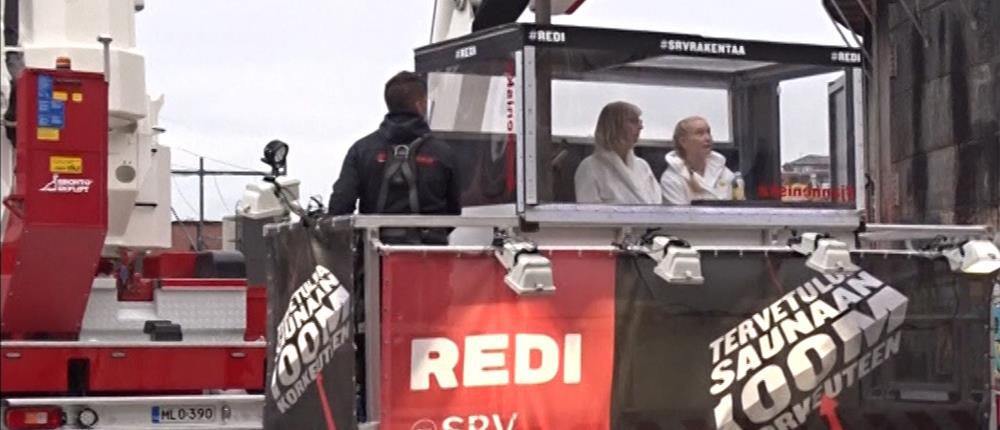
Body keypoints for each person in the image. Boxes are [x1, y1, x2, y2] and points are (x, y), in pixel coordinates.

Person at [328, 71, 460, 244]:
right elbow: (454, 212)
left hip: (374, 254)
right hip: (430, 255)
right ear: (421, 105)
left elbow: (340, 206)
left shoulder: (361, 150)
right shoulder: (443, 153)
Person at [574, 101, 662, 204]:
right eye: (633, 121)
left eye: (639, 121)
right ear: (613, 126)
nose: (640, 127)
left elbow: (658, 205)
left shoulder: (643, 166)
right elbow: (588, 211)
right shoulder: (589, 167)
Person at [660, 116, 735, 205]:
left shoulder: (723, 172)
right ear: (683, 142)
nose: (707, 138)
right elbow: (680, 213)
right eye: (700, 133)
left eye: (708, 132)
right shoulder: (671, 179)